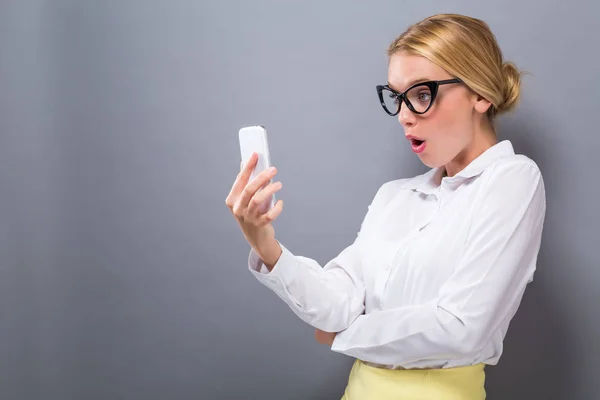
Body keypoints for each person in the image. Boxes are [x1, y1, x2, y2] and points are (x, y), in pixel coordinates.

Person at [225, 13, 546, 400]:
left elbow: (462, 327)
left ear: (480, 94)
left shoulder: (512, 179)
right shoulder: (393, 196)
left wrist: (346, 335)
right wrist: (266, 245)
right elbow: (336, 304)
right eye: (397, 96)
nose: (405, 116)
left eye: (422, 94)